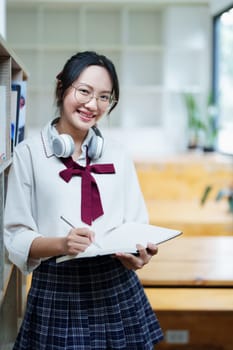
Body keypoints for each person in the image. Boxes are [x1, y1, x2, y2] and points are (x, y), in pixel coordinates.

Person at [4, 51, 164, 349]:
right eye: (84, 91)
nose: (93, 105)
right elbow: (15, 236)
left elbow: (137, 224)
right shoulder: (29, 154)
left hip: (117, 286)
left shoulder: (118, 154)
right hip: (57, 287)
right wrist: (62, 244)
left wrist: (138, 256)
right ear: (61, 86)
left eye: (105, 97)